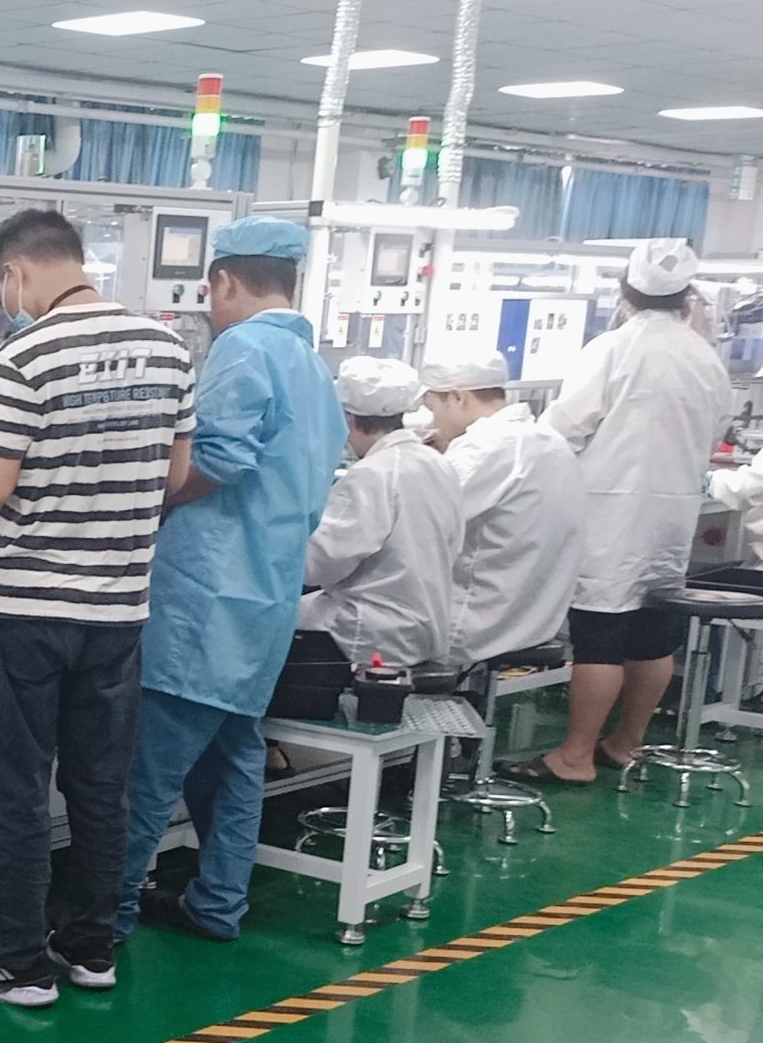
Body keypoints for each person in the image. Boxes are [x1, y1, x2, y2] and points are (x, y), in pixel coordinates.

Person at [0, 210, 195, 1007]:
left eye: (1, 287)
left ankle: (16, 961)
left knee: (17, 790)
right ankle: (90, 947)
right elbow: (176, 476)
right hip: (118, 609)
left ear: (14, 273)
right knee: (100, 788)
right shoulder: (167, 347)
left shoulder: (26, 356)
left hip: (28, 607)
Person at [114, 216, 347, 943]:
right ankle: (217, 905)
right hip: (265, 596)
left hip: (204, 597)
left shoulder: (244, 347)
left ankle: (104, 918)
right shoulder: (314, 368)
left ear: (224, 281)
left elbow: (216, 459)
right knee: (235, 756)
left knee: (148, 771)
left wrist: (144, 500)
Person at [508, 240, 733, 785]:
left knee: (600, 637)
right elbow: (715, 433)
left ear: (624, 292)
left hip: (611, 515)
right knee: (654, 632)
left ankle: (575, 756)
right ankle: (626, 742)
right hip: (673, 514)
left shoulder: (613, 348)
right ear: (687, 295)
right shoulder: (705, 358)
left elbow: (563, 429)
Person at [418, 352, 587, 666]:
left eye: (433, 408)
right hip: (532, 619)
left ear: (457, 397)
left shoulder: (484, 448)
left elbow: (414, 520)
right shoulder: (548, 440)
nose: (432, 423)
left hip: (473, 624)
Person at [296, 357, 463, 667]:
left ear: (347, 419)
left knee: (263, 622)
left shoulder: (373, 474)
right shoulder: (437, 463)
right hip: (427, 626)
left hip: (370, 632)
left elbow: (317, 566)